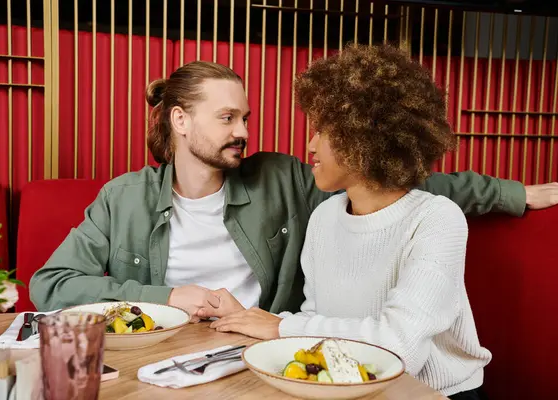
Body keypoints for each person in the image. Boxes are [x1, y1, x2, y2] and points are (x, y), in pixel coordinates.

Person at [29, 59, 558, 324]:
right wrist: (165, 297)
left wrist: (515, 195)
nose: (243, 131)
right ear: (180, 121)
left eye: (245, 118)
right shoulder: (123, 197)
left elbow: (390, 179)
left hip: (260, 354)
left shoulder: (281, 178)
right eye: (227, 118)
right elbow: (50, 285)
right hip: (160, 360)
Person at [206, 44, 492, 399]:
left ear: (364, 138)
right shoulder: (325, 216)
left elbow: (399, 348)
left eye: (323, 131)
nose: (310, 145)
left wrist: (282, 327)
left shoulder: (436, 219)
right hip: (347, 385)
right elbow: (316, 316)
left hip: (432, 392)